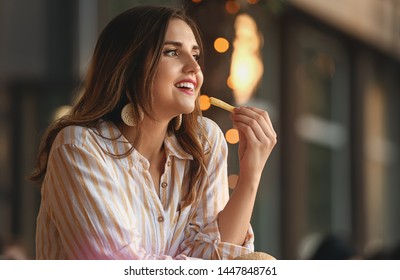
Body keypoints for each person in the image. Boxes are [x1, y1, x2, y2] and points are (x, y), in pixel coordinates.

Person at [29, 5, 277, 260]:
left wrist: (250, 176)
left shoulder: (206, 141)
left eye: (195, 54)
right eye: (172, 52)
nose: (194, 67)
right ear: (129, 67)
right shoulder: (79, 148)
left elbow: (218, 258)